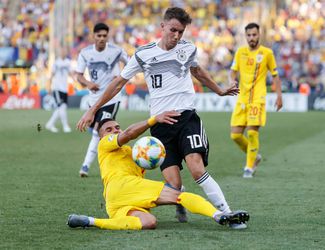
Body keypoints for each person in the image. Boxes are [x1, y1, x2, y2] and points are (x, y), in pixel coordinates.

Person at [77, 7, 239, 223]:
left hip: (186, 117)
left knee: (196, 168)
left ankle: (227, 212)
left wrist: (219, 90)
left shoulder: (188, 49)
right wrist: (93, 108)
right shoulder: (144, 54)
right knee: (173, 183)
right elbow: (118, 84)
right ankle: (180, 202)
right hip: (161, 124)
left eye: (181, 32)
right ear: (162, 26)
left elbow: (197, 71)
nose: (177, 35)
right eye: (173, 30)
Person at [68, 112, 249, 230]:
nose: (115, 130)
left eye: (117, 127)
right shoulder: (104, 144)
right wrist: (153, 120)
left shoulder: (134, 153)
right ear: (101, 136)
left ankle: (90, 221)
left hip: (114, 201)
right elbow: (129, 133)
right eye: (109, 130)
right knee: (179, 195)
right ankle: (219, 215)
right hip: (123, 185)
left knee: (149, 222)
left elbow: (147, 160)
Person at [229, 23, 283, 178]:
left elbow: (275, 75)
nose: (252, 38)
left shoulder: (267, 53)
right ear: (245, 36)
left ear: (259, 35)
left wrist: (279, 96)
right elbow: (232, 72)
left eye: (254, 35)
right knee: (235, 135)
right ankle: (254, 155)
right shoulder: (240, 52)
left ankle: (249, 167)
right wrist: (232, 81)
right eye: (249, 35)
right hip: (242, 99)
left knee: (252, 133)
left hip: (258, 99)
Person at [75, 22, 128, 177]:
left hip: (112, 99)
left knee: (98, 132)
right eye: (99, 36)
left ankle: (85, 166)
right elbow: (78, 75)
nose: (102, 38)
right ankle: (116, 161)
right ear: (93, 36)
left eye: (105, 36)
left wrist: (121, 77)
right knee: (98, 132)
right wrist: (88, 83)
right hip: (94, 100)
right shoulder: (85, 53)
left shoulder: (116, 51)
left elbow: (132, 63)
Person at [45, 49, 73, 133]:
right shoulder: (56, 63)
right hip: (57, 88)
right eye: (62, 51)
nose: (63, 52)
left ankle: (50, 124)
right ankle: (65, 126)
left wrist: (76, 80)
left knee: (61, 107)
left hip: (64, 88)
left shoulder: (68, 62)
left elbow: (70, 73)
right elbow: (51, 75)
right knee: (61, 106)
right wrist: (49, 87)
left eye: (64, 51)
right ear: (60, 52)